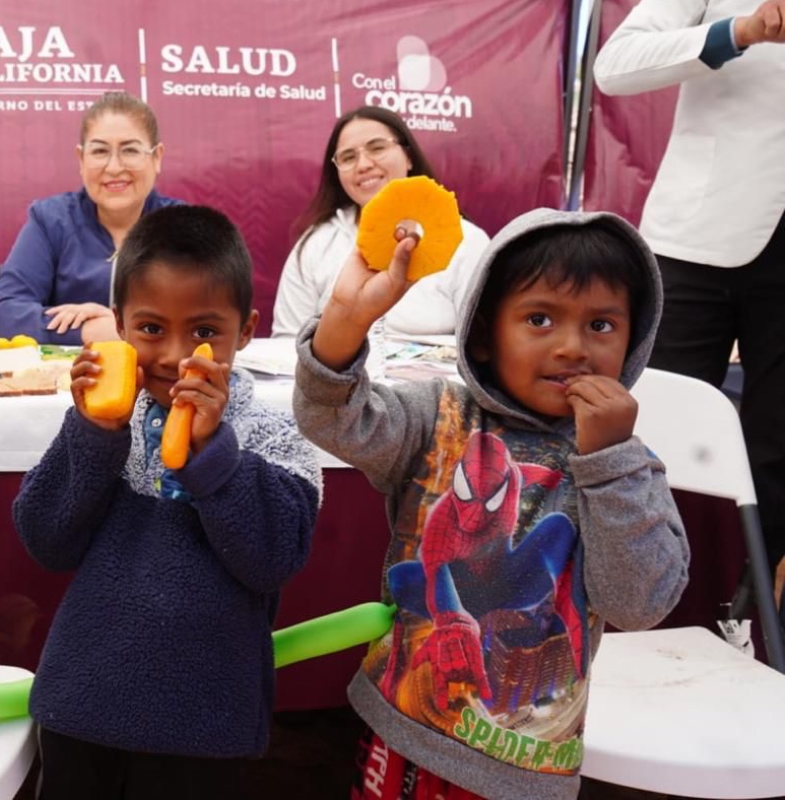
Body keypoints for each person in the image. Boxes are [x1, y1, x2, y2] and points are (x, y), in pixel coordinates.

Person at [293, 209, 689, 800]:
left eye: (602, 325)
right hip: (404, 726)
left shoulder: (625, 466)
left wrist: (610, 462)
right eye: (539, 318)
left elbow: (639, 604)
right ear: (483, 331)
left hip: (526, 761)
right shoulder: (438, 416)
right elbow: (333, 418)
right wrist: (345, 322)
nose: (573, 348)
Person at [13, 205, 321, 798]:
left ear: (248, 329)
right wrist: (94, 433)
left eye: (205, 332)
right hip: (81, 703)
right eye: (151, 329)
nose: (176, 354)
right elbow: (45, 540)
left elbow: (275, 557)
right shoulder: (103, 422)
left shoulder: (275, 431)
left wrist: (212, 452)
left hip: (203, 722)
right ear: (120, 326)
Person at [594, 0, 785, 605]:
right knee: (663, 432)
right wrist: (742, 31)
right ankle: (650, 610)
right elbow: (615, 66)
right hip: (699, 238)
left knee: (779, 448)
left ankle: (749, 621)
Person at [271, 106, 490, 339]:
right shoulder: (315, 244)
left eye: (377, 147)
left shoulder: (467, 241)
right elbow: (287, 342)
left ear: (408, 157)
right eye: (348, 157)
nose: (363, 165)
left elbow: (483, 344)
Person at [0, 91, 181, 345]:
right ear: (81, 159)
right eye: (100, 151)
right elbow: (5, 316)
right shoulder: (50, 220)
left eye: (130, 150)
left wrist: (127, 327)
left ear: (156, 158)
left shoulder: (183, 226)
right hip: (72, 380)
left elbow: (210, 319)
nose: (113, 167)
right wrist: (90, 331)